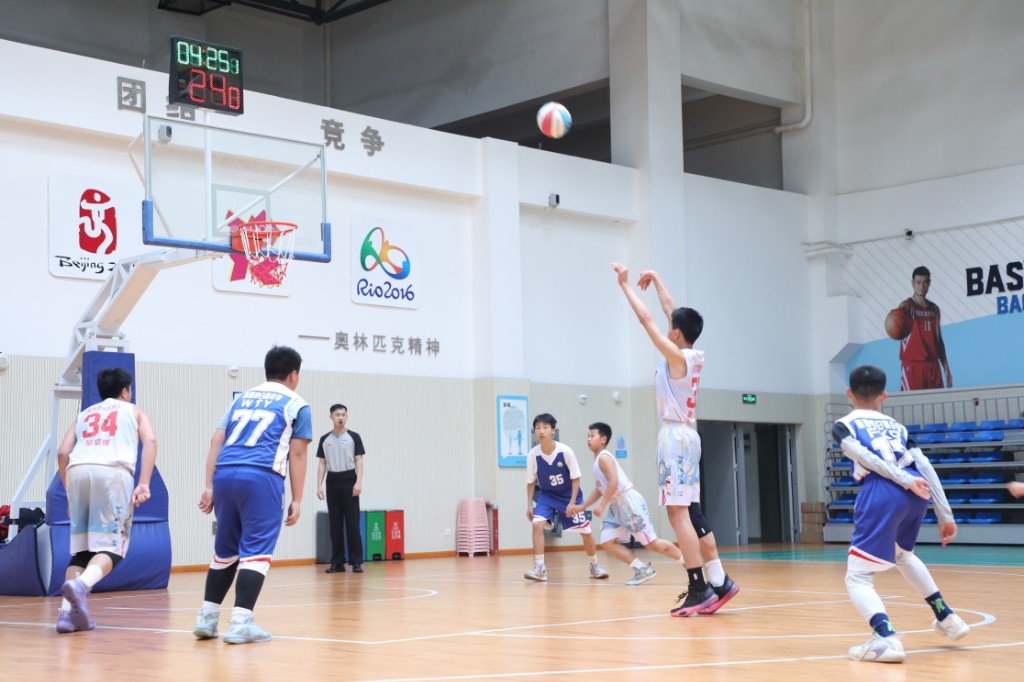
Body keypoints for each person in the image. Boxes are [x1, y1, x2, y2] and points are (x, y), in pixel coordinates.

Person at [612, 263, 739, 616]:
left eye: (672, 326)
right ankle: (719, 581)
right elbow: (671, 310)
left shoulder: (676, 357)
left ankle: (699, 587)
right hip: (687, 435)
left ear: (677, 333)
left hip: (675, 437)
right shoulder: (692, 354)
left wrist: (625, 286)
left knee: (677, 513)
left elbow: (647, 320)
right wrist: (656, 279)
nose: (668, 326)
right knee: (692, 511)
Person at [834, 364, 969, 664]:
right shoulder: (898, 427)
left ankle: (886, 638)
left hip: (885, 489)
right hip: (916, 493)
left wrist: (903, 480)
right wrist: (945, 513)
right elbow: (925, 466)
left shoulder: (844, 425)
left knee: (857, 576)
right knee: (903, 556)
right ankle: (948, 618)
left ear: (848, 393)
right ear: (884, 395)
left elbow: (866, 457)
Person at [193, 345, 312, 645]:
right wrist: (297, 499)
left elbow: (216, 440)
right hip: (261, 476)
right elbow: (297, 454)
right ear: (294, 374)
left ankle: (207, 618)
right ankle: (240, 623)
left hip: (225, 473)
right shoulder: (297, 404)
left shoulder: (242, 398)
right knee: (256, 552)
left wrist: (208, 485)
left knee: (225, 550)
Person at [55, 367, 157, 633]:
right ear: (125, 391)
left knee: (82, 551)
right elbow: (150, 441)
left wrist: (69, 492)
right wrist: (144, 482)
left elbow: (63, 452)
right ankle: (82, 585)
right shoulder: (133, 410)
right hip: (112, 472)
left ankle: (66, 615)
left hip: (77, 471)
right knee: (114, 545)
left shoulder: (84, 414)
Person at [569, 422, 685, 585]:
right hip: (617, 506)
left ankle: (690, 563)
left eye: (592, 436)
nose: (588, 439)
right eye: (587, 436)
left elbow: (614, 481)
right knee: (607, 541)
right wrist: (582, 507)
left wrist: (602, 505)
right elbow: (599, 489)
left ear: (603, 439)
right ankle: (642, 569)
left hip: (628, 503)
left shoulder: (604, 457)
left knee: (651, 544)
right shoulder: (597, 461)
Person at [524, 413, 609, 582]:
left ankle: (594, 565)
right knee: (536, 524)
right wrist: (529, 504)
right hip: (547, 496)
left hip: (569, 495)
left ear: (553, 431)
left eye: (545, 427)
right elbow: (531, 482)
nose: (541, 431)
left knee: (585, 533)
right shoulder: (533, 455)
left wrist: (572, 502)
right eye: (538, 428)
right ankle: (539, 568)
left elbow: (576, 478)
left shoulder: (565, 451)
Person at [316, 403, 366, 573]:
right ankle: (337, 562)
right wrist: (319, 485)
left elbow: (359, 460)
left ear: (346, 417)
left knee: (352, 523)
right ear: (331, 417)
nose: (341, 417)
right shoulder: (325, 439)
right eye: (337, 415)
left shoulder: (354, 437)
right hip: (332, 481)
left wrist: (358, 482)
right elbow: (322, 463)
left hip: (349, 479)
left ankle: (356, 561)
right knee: (335, 524)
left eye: (343, 415)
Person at [898, 266, 952, 391]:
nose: (921, 286)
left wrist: (946, 367)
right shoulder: (906, 306)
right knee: (912, 402)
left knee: (937, 401)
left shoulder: (934, 309)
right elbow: (898, 319)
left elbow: (938, 341)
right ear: (912, 283)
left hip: (933, 365)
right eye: (918, 282)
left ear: (929, 283)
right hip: (913, 365)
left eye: (925, 282)